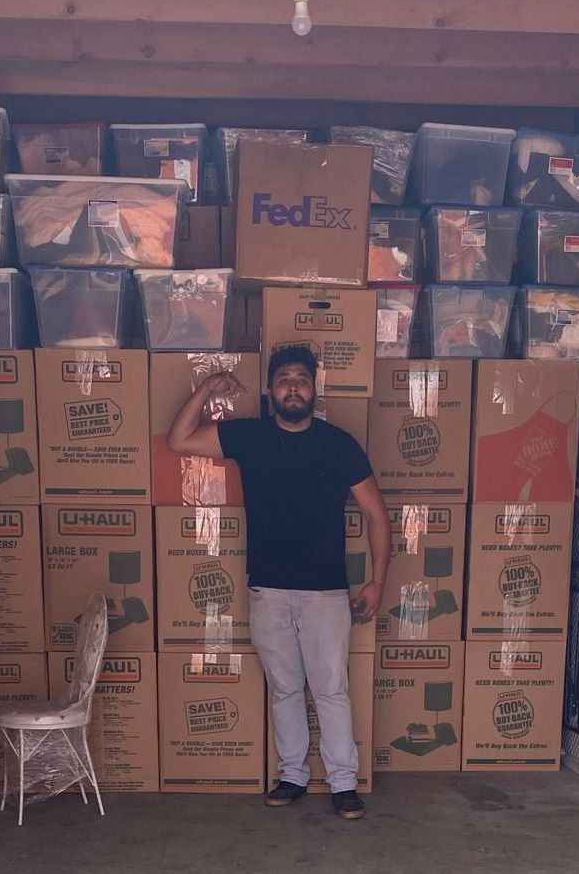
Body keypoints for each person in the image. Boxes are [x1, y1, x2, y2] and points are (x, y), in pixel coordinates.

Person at [167, 345, 391, 820]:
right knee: (286, 688)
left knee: (330, 689)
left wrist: (377, 581)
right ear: (271, 391)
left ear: (314, 389)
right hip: (267, 588)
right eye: (285, 378)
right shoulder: (249, 436)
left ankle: (343, 783)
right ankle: (293, 774)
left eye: (302, 379)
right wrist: (209, 387)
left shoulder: (339, 444)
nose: (294, 386)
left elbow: (376, 512)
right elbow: (180, 440)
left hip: (326, 592)